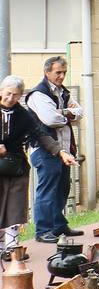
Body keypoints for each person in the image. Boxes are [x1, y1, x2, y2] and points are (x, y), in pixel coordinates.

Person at [0, 76, 76, 261]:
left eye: (15, 95)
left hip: (16, 165)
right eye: (8, 93)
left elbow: (41, 135)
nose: (11, 98)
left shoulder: (22, 115)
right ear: (1, 90)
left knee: (16, 206)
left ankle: (11, 248)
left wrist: (61, 152)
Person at [25, 55, 84, 242]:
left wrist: (63, 112)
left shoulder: (63, 92)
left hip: (64, 149)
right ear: (47, 72)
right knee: (48, 190)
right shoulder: (38, 94)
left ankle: (58, 226)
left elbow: (80, 113)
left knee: (62, 189)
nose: (61, 76)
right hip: (45, 149)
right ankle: (43, 231)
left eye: (64, 72)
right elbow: (50, 119)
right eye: (58, 72)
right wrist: (68, 114)